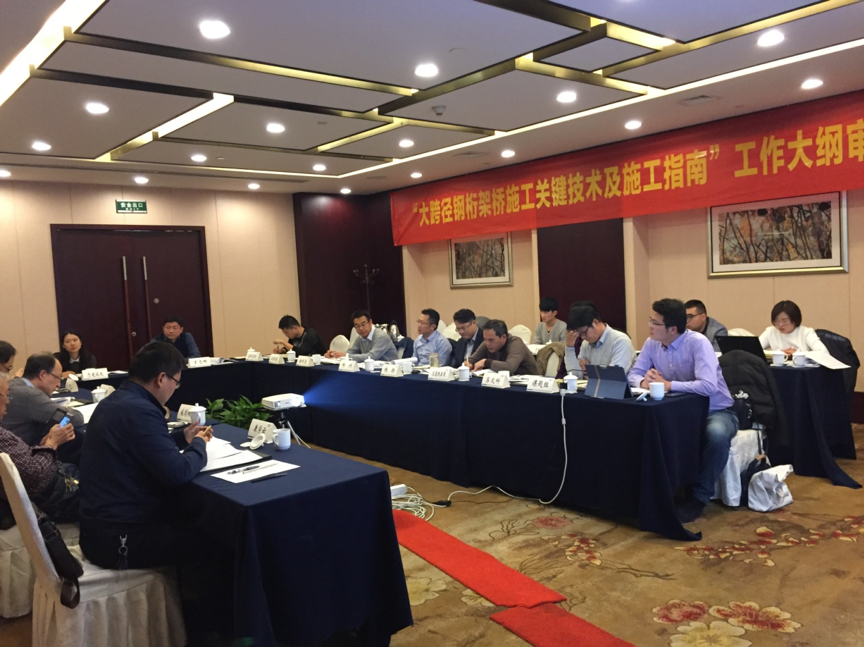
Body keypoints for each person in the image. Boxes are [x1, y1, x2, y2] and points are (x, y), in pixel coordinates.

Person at [78, 341, 212, 570]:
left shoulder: (118, 400)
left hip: (100, 529)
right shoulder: (140, 410)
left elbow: (140, 447)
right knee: (217, 541)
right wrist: (199, 444)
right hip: (120, 538)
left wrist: (183, 438)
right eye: (176, 383)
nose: (175, 389)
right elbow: (178, 472)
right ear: (161, 379)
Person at [627, 298, 738, 523]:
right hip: (675, 412)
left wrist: (668, 385)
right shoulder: (651, 343)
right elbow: (633, 374)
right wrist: (644, 382)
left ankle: (698, 498)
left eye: (655, 323)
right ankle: (654, 493)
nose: (649, 326)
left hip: (715, 410)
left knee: (717, 435)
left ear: (673, 329)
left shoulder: (698, 343)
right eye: (650, 320)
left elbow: (708, 386)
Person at [0, 371, 79, 525]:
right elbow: (34, 474)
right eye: (6, 395)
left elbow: (21, 462)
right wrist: (51, 444)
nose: (8, 402)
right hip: (49, 500)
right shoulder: (2, 439)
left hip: (39, 490)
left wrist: (43, 446)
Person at [3, 354, 85, 464]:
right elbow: (76, 419)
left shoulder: (13, 383)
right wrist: (65, 413)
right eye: (58, 378)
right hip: (25, 459)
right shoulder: (30, 395)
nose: (59, 384)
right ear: (43, 374)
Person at [564, 304, 635, 376]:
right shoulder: (586, 344)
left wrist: (591, 373)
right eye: (580, 335)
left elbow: (614, 375)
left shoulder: (620, 341)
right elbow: (575, 375)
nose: (582, 337)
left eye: (584, 333)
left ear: (595, 322)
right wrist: (569, 347)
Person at [468, 320, 540, 375]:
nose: (487, 343)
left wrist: (486, 362)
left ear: (504, 337)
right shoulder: (487, 343)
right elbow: (471, 360)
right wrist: (468, 365)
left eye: (491, 340)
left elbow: (509, 367)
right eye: (485, 339)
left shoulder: (516, 343)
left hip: (528, 384)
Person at [325, 310, 398, 361]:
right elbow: (351, 352)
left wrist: (346, 356)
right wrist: (335, 354)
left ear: (370, 322)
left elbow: (372, 356)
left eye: (363, 324)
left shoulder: (381, 336)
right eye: (357, 325)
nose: (361, 328)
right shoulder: (360, 338)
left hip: (390, 372)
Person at [759, 300, 828, 354]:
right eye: (776, 321)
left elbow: (823, 352)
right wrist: (779, 353)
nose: (780, 324)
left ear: (795, 319)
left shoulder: (806, 332)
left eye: (784, 321)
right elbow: (754, 351)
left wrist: (797, 353)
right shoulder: (771, 332)